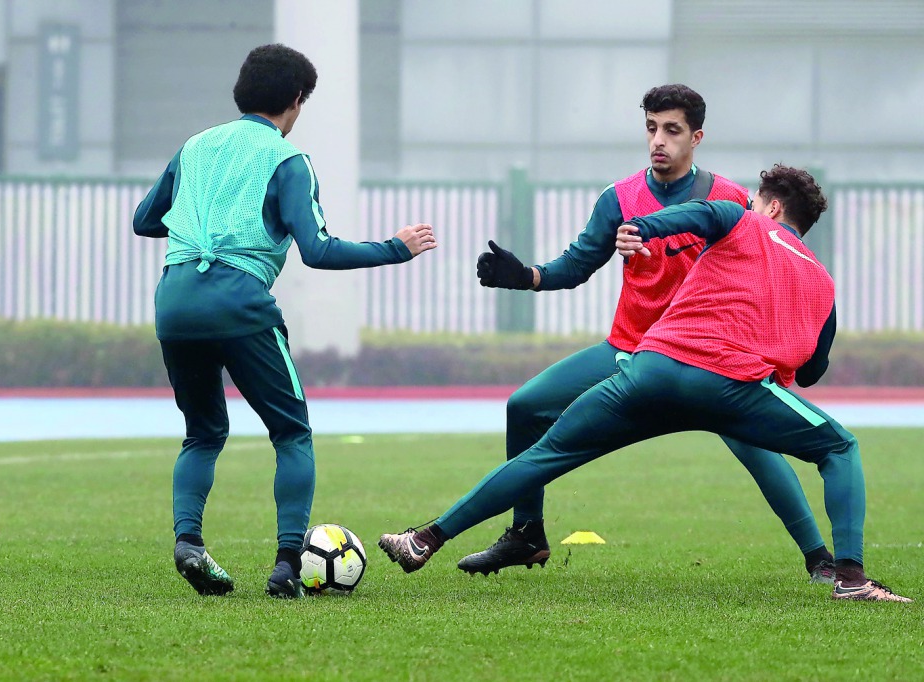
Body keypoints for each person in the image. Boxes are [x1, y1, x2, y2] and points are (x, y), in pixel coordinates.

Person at [379, 165, 911, 603]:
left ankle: (425, 538)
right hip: (730, 389)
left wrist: (644, 229)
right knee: (838, 446)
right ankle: (847, 576)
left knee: (546, 455)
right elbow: (812, 372)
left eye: (755, 202)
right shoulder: (822, 282)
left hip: (652, 368)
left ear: (771, 207)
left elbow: (697, 215)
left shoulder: (739, 218)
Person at [464, 84, 832, 582]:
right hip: (630, 347)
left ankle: (820, 560)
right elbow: (576, 265)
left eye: (672, 130)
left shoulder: (732, 200)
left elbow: (771, 265)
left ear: (696, 137)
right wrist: (527, 275)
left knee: (756, 447)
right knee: (525, 406)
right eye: (652, 128)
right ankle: (527, 534)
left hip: (709, 359)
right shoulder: (618, 198)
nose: (659, 140)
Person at [133, 44, 435, 599]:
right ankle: (286, 566)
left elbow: (144, 220)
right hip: (238, 302)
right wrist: (396, 248)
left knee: (203, 433)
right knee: (292, 432)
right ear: (296, 99)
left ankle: (189, 543)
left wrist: (202, 224)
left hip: (174, 300)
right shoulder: (287, 159)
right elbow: (317, 250)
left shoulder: (195, 147)